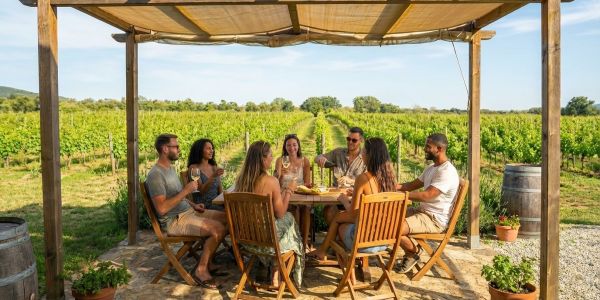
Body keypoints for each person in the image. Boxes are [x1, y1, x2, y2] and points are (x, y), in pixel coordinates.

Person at [145, 133, 227, 289]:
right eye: (175, 146)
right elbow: (161, 209)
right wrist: (186, 191)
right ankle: (201, 271)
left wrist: (193, 204)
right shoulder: (156, 175)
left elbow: (177, 196)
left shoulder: (169, 169)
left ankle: (207, 261)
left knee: (227, 218)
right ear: (164, 149)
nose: (179, 149)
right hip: (174, 220)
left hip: (188, 212)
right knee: (217, 229)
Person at [308, 138, 396, 268]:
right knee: (341, 217)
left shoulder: (364, 178)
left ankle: (330, 254)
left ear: (371, 155)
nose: (362, 154)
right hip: (384, 240)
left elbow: (352, 212)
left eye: (364, 151)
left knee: (338, 218)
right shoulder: (390, 178)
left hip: (363, 242)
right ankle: (328, 252)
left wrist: (343, 200)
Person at [233, 141, 304, 287]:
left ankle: (269, 268)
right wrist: (289, 191)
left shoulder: (240, 180)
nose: (272, 158)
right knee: (289, 218)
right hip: (266, 239)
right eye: (271, 155)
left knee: (280, 226)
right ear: (263, 159)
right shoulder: (270, 181)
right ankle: (277, 270)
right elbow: (280, 213)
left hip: (246, 239)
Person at [395, 133, 459, 274]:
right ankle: (412, 249)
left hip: (434, 219)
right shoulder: (431, 168)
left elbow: (427, 195)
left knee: (393, 228)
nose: (424, 149)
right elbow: (410, 185)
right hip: (423, 212)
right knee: (386, 218)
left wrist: (402, 195)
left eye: (428, 147)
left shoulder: (447, 172)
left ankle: (412, 252)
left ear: (439, 149)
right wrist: (392, 186)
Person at [314, 127, 367, 226]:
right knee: (328, 210)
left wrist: (351, 181)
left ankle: (339, 235)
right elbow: (316, 158)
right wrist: (320, 158)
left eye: (354, 140)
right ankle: (337, 236)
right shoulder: (338, 153)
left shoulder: (364, 158)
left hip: (354, 198)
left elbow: (367, 182)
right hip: (336, 196)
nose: (350, 142)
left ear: (361, 141)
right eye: (348, 139)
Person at [187, 138, 225, 212]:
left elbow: (220, 190)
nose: (212, 151)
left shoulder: (214, 167)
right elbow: (201, 191)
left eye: (212, 148)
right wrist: (213, 176)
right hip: (204, 205)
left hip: (217, 203)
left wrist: (225, 202)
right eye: (208, 148)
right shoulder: (194, 168)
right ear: (200, 150)